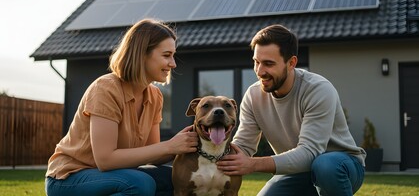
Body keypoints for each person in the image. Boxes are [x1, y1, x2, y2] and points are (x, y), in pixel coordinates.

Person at [45, 18, 199, 196]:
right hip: (70, 178)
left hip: (112, 176)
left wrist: (183, 145)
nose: (173, 64)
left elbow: (152, 153)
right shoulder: (106, 88)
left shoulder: (154, 96)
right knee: (140, 183)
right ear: (142, 54)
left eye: (173, 55)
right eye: (166, 55)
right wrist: (169, 146)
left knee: (177, 177)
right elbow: (105, 160)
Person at [217, 24, 366, 195]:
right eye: (256, 62)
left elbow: (310, 152)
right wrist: (210, 151)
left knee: (324, 165)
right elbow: (243, 145)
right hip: (297, 172)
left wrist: (253, 164)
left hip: (341, 167)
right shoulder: (253, 95)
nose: (260, 71)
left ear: (291, 63)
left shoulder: (318, 89)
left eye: (268, 64)